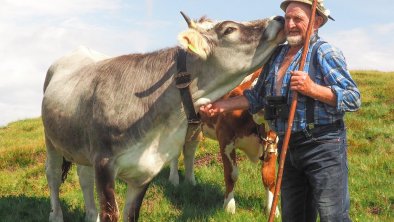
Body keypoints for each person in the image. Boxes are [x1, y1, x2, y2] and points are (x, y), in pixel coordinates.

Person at [199, 0, 361, 221]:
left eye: (298, 19)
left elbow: (353, 98)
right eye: (288, 18)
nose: (291, 24)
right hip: (288, 145)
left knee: (332, 216)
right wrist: (220, 106)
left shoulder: (323, 53)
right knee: (294, 215)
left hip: (322, 146)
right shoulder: (277, 56)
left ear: (316, 22)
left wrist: (313, 89)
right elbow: (257, 98)